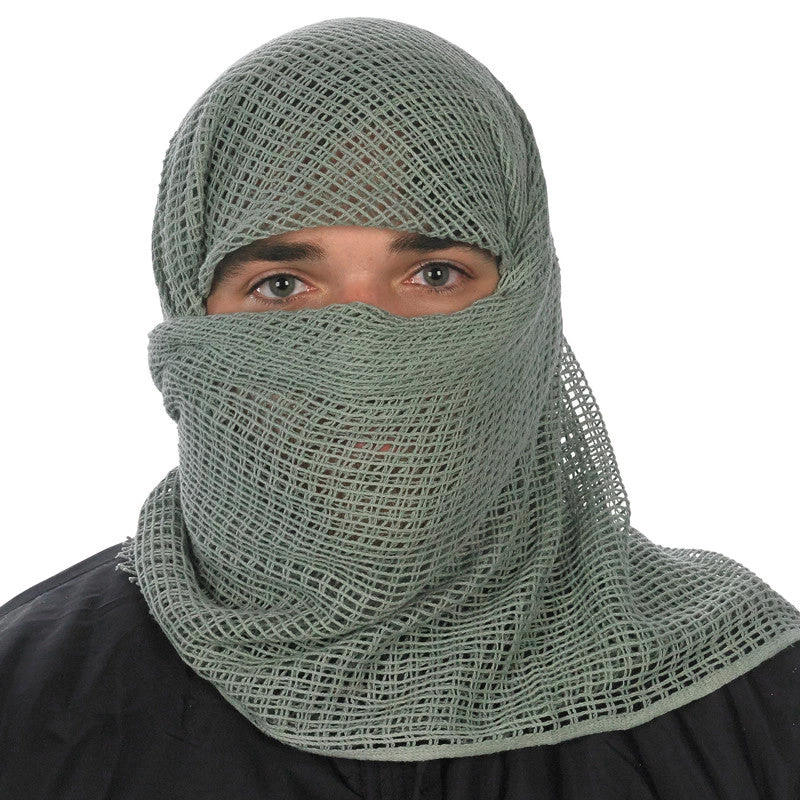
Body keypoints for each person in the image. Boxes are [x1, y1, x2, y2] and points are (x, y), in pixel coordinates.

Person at [1, 17, 799, 799]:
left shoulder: (753, 694)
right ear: (189, 319)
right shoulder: (27, 705)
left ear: (529, 304)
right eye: (283, 286)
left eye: (433, 275)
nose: (362, 351)